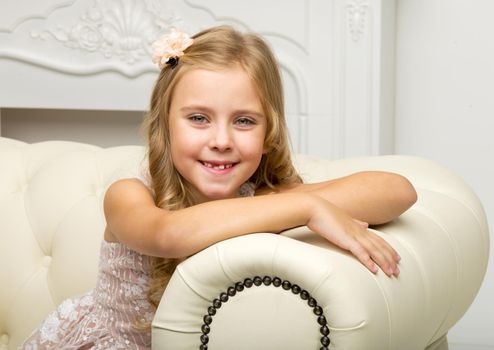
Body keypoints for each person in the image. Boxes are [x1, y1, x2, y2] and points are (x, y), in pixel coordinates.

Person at [19, 25, 417, 349]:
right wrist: (306, 209)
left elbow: (397, 191)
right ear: (165, 126)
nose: (222, 140)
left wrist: (302, 201)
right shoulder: (129, 196)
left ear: (268, 135)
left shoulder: (262, 198)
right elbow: (168, 235)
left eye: (244, 121)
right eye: (198, 118)